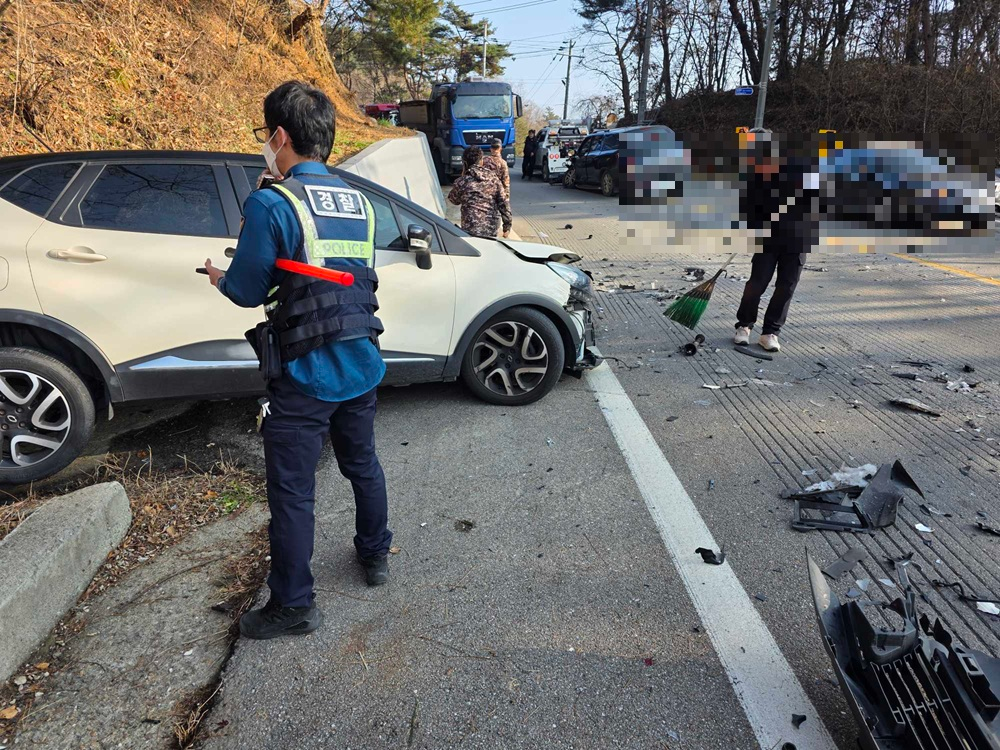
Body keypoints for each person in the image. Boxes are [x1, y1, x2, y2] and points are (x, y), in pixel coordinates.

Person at [203, 80, 392, 640]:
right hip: (361, 360)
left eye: (266, 135)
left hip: (305, 371)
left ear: (280, 135)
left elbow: (246, 289)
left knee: (292, 490)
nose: (266, 143)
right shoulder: (361, 203)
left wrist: (220, 275)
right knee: (363, 464)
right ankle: (375, 556)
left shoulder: (269, 202)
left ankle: (293, 605)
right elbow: (339, 274)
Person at [733, 133, 819, 352]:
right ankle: (744, 325)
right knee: (757, 283)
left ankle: (770, 332)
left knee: (786, 287)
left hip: (798, 239)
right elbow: (747, 207)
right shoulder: (757, 178)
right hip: (768, 239)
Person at [448, 146, 512, 238]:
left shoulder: (462, 182)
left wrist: (463, 175)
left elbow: (453, 200)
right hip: (490, 230)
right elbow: (504, 203)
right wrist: (507, 226)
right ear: (481, 161)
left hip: (469, 230)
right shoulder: (494, 179)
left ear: (464, 163)